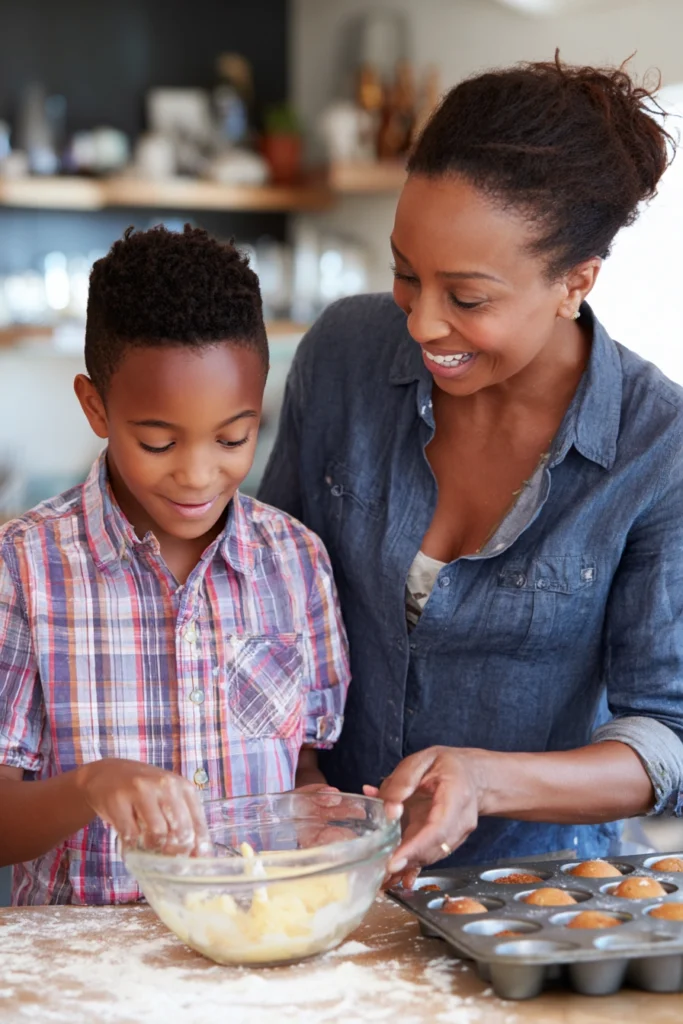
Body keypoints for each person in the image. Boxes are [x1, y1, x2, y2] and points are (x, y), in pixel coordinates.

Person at [259, 57, 683, 882]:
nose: (421, 321)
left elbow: (666, 736)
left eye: (467, 297)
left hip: (536, 900)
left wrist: (484, 779)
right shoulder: (342, 357)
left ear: (574, 283)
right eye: (405, 273)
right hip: (326, 881)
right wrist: (303, 787)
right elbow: (267, 607)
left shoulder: (655, 446)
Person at [0, 225, 350, 905]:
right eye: (157, 441)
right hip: (85, 978)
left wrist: (322, 816)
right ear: (96, 406)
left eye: (232, 437)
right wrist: (89, 786)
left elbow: (301, 764)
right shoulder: (25, 569)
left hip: (251, 950)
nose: (196, 475)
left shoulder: (296, 563)